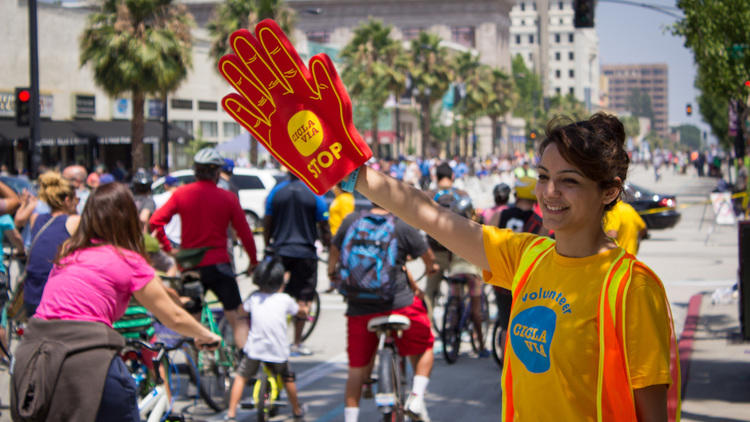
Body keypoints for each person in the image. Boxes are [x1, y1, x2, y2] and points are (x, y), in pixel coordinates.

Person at [344, 113, 679, 421]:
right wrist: (348, 171)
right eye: (544, 176)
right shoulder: (527, 257)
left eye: (569, 181)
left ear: (609, 191)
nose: (549, 192)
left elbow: (652, 413)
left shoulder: (631, 287)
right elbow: (429, 215)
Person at [10, 182, 221, 422]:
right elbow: (172, 316)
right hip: (87, 361)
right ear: (128, 218)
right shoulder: (127, 259)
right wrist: (207, 335)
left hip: (33, 359)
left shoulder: (68, 252)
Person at [328, 202, 437, 422]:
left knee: (356, 369)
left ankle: (351, 418)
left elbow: (334, 250)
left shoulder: (351, 221)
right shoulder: (402, 226)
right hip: (399, 303)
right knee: (426, 344)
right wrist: (430, 269)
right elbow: (429, 259)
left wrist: (331, 273)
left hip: (359, 306)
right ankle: (416, 397)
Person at [150, 148, 258, 350]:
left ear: (195, 172)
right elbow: (245, 234)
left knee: (192, 319)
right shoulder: (228, 198)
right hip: (220, 265)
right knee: (237, 314)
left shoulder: (181, 194)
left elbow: (155, 221)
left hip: (191, 266)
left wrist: (168, 249)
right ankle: (246, 363)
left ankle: (197, 370)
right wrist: (253, 261)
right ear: (217, 173)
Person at [225, 255, 305, 421]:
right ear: (280, 282)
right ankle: (297, 410)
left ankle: (231, 413)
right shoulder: (285, 300)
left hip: (255, 349)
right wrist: (304, 311)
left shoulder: (254, 298)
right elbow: (299, 311)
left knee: (241, 376)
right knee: (287, 377)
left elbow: (242, 311)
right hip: (278, 350)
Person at [264, 172, 331, 356]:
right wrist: (328, 245)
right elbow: (324, 224)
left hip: (281, 250)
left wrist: (267, 244)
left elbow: (267, 221)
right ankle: (297, 343)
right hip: (305, 252)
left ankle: (275, 341)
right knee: (304, 299)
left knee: (276, 296)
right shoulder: (315, 193)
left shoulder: (276, 192)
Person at [17, 172, 81, 317]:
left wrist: (27, 204)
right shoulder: (74, 221)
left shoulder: (36, 219)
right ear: (67, 200)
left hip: (33, 293)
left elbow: (19, 221)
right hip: (58, 296)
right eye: (75, 200)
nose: (77, 203)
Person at [423, 162, 470, 321]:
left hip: (435, 250)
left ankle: (426, 329)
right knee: (458, 290)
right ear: (452, 177)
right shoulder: (462, 194)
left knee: (430, 292)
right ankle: (455, 325)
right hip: (458, 251)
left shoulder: (429, 195)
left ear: (435, 177)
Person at [152, 175, 182, 248]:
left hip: (167, 238)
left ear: (165, 186)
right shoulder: (185, 197)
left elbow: (154, 220)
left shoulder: (158, 199)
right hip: (182, 238)